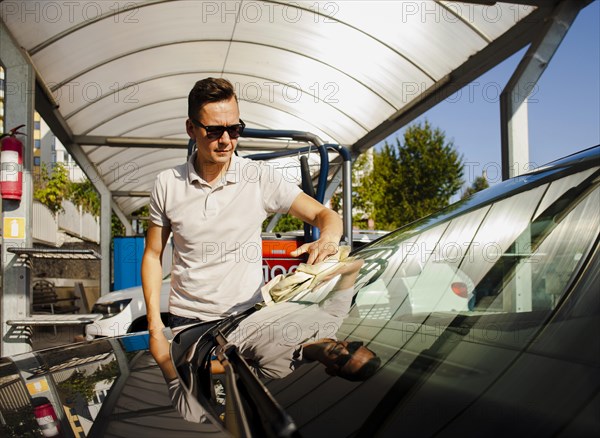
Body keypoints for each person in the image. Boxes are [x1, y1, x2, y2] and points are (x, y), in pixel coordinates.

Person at [142, 77, 343, 381]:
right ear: (191, 128)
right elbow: (153, 255)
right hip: (188, 325)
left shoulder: (259, 177)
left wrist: (327, 240)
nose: (226, 140)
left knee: (250, 411)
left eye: (234, 130)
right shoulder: (167, 184)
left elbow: (325, 216)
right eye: (214, 131)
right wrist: (155, 328)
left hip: (248, 320)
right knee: (195, 416)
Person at [161, 259, 381, 423]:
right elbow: (355, 265)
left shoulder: (280, 370)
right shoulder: (334, 316)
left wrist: (177, 365)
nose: (343, 350)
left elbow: (227, 369)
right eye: (353, 347)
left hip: (201, 327)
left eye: (344, 360)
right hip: (233, 295)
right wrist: (327, 270)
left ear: (332, 371)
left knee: (193, 414)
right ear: (352, 341)